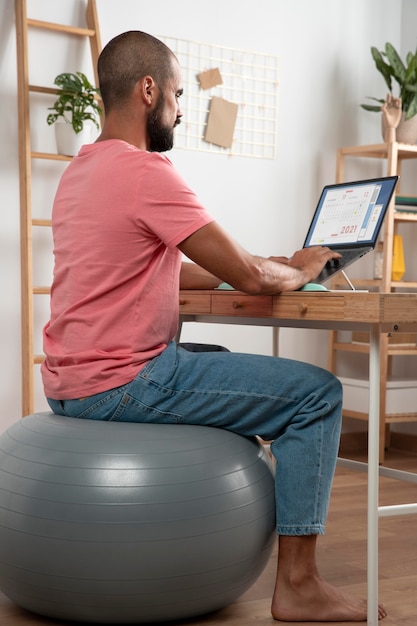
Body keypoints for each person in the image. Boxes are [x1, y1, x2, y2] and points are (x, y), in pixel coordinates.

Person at [41, 31, 386, 622]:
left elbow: (166, 273)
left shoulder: (82, 172)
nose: (180, 108)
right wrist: (287, 269)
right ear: (149, 90)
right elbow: (248, 278)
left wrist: (280, 267)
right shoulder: (146, 172)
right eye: (177, 94)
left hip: (69, 384)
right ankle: (299, 584)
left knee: (216, 350)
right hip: (124, 382)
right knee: (317, 394)